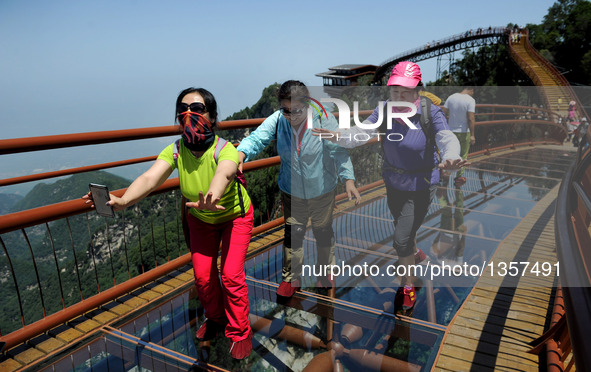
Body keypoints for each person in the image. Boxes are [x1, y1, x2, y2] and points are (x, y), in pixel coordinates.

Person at [83, 88, 254, 359]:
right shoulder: (175, 150)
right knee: (203, 278)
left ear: (212, 115)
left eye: (197, 109)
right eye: (182, 110)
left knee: (231, 275)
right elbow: (151, 178)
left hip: (235, 216)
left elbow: (226, 171)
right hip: (200, 218)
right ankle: (217, 318)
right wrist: (123, 200)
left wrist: (213, 194)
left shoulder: (225, 149)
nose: (189, 115)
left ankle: (240, 331)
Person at [312, 61, 468, 313]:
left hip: (421, 183)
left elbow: (446, 138)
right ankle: (414, 252)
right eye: (395, 90)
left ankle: (407, 284)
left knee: (401, 238)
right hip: (393, 181)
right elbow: (362, 132)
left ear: (418, 90)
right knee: (402, 226)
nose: (399, 96)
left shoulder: (430, 113)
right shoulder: (384, 110)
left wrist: (451, 156)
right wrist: (337, 136)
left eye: (405, 91)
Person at [237, 80, 360, 298]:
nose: (292, 116)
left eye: (297, 111)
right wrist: (240, 155)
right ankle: (291, 278)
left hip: (322, 190)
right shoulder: (278, 121)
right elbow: (256, 139)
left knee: (323, 232)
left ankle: (325, 272)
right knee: (294, 234)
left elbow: (338, 150)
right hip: (291, 191)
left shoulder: (322, 118)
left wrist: (348, 178)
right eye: (286, 111)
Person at [442, 86, 476, 186]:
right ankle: (458, 178)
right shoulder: (470, 100)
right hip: (464, 132)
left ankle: (446, 173)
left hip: (451, 131)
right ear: (471, 90)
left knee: (450, 152)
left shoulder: (451, 97)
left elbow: (443, 112)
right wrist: (473, 135)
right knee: (463, 155)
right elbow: (471, 118)